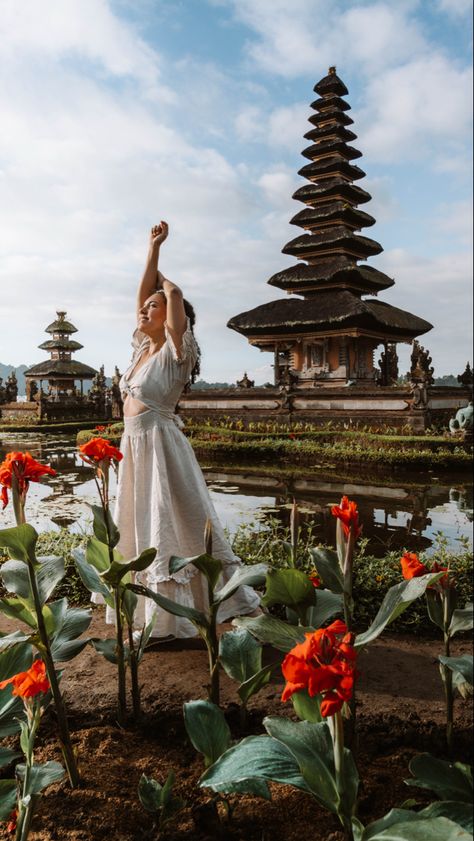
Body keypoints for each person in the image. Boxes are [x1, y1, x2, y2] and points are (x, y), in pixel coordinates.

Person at [112, 221, 261, 638]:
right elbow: (145, 296)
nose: (144, 311)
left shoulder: (178, 352)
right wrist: (152, 249)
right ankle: (156, 618)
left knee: (177, 524)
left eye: (152, 309)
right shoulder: (144, 348)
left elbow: (173, 295)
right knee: (143, 524)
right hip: (136, 447)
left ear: (173, 318)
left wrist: (167, 285)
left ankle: (205, 611)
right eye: (145, 309)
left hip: (161, 447)